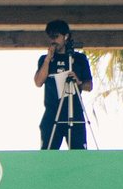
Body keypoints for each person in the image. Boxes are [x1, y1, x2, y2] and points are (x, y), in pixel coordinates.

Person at [34, 18, 91, 149]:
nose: (53, 40)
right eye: (50, 37)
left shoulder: (79, 59)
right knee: (48, 153)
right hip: (52, 111)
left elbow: (89, 86)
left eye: (56, 36)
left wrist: (79, 82)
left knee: (79, 153)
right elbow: (38, 82)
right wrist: (48, 59)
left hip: (74, 110)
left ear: (66, 36)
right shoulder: (44, 59)